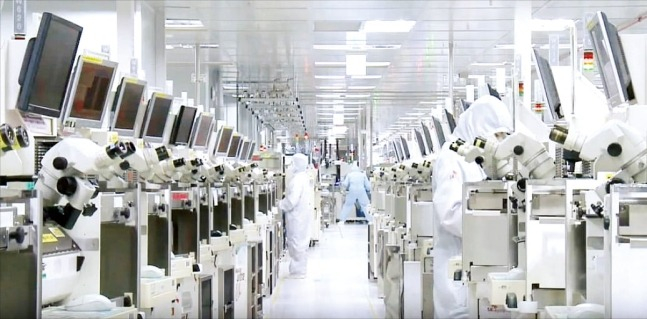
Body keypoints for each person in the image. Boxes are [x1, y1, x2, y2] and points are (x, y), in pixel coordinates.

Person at [431, 95, 513, 319]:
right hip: (457, 265)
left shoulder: (476, 160)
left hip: (476, 265)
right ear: (478, 126)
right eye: (497, 135)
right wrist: (497, 228)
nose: (499, 141)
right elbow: (450, 214)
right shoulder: (451, 158)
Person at [279, 153, 313, 278]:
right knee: (300, 242)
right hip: (302, 216)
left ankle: (298, 271)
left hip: (297, 217)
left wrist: (280, 205)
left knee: (296, 242)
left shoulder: (297, 180)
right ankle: (299, 269)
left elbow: (291, 201)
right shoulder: (303, 177)